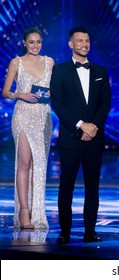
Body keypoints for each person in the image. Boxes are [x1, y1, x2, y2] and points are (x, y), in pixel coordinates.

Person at [50, 26, 111, 244]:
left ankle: (90, 231)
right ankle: (64, 231)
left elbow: (106, 103)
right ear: (71, 44)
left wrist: (92, 127)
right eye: (79, 41)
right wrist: (80, 125)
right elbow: (57, 102)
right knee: (66, 185)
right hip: (70, 137)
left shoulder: (101, 71)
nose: (84, 44)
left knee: (92, 186)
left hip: (94, 137)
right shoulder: (60, 70)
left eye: (87, 40)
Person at [2, 28, 54, 230]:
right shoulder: (17, 62)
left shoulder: (49, 62)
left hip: (43, 116)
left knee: (39, 165)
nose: (35, 45)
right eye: (31, 42)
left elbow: (55, 89)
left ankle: (37, 212)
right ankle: (24, 211)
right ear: (24, 42)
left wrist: (52, 91)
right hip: (23, 115)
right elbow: (5, 92)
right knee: (24, 162)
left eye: (38, 42)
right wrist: (20, 95)